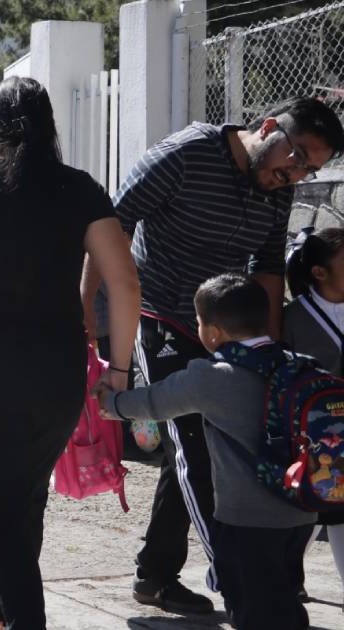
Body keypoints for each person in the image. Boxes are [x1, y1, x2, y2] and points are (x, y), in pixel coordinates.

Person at [80, 95, 344, 615]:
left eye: (310, 169)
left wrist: (274, 354)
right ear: (268, 128)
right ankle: (238, 579)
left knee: (217, 447)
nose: (296, 174)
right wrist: (88, 317)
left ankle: (155, 576)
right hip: (161, 315)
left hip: (233, 332)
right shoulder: (187, 153)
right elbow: (110, 226)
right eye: (296, 157)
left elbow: (269, 267)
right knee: (195, 447)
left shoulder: (275, 188)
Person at [0, 76, 140, 629]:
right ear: (49, 127)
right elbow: (126, 284)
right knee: (24, 493)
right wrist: (119, 369)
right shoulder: (80, 188)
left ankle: (21, 618)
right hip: (59, 372)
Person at [98, 273, 316, 630]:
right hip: (301, 515)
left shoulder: (211, 377)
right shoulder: (299, 365)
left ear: (212, 332)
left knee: (252, 610)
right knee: (285, 598)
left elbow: (153, 402)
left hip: (246, 522)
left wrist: (111, 403)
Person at [281, 227, 344, 602]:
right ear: (319, 272)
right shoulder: (290, 318)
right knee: (304, 514)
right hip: (310, 437)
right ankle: (279, 583)